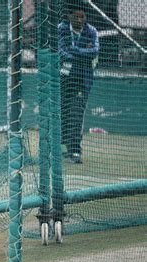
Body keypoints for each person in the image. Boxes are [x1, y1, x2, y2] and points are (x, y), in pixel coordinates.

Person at [58, 5, 99, 163]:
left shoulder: (92, 31)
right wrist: (82, 53)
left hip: (82, 80)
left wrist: (75, 51)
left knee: (76, 115)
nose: (80, 20)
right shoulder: (61, 29)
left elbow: (94, 51)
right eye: (76, 17)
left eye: (82, 17)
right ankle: (62, 147)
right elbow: (61, 52)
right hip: (64, 78)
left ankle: (75, 150)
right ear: (69, 17)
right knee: (63, 113)